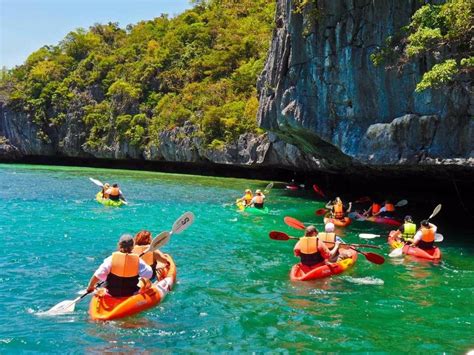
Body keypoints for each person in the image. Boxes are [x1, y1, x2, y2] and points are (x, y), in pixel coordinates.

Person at [86, 234, 153, 297]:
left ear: (119, 245)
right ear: (133, 246)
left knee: (104, 284)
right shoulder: (138, 261)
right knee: (145, 282)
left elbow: (97, 274)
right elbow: (149, 274)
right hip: (131, 293)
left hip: (111, 293)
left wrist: (90, 287)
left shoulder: (110, 259)